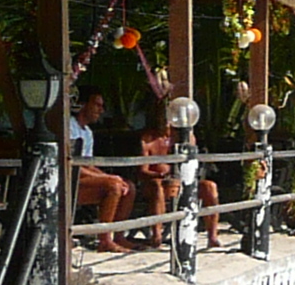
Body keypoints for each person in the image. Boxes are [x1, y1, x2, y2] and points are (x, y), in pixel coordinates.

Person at [133, 78, 223, 249]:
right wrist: (160, 175)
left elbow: (193, 162)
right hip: (156, 181)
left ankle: (212, 235)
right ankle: (157, 234)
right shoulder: (148, 138)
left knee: (209, 187)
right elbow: (142, 170)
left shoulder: (183, 137)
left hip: (182, 181)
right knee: (158, 188)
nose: (164, 122)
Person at [67, 88, 134, 248]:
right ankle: (104, 239)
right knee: (113, 186)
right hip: (69, 179)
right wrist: (107, 179)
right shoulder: (69, 126)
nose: (101, 110)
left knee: (128, 187)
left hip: (82, 176)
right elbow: (69, 163)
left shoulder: (88, 132)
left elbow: (89, 163)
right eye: (97, 105)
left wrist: (106, 176)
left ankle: (119, 235)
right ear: (83, 105)